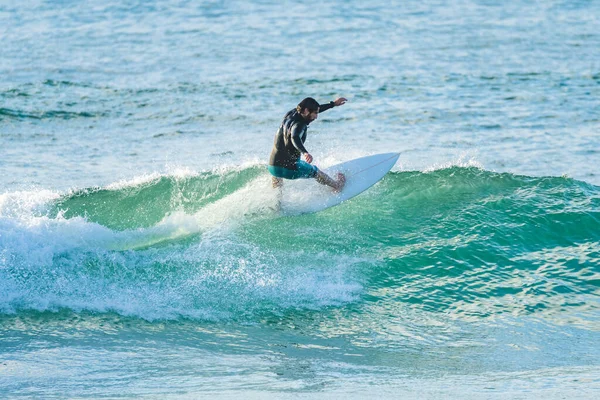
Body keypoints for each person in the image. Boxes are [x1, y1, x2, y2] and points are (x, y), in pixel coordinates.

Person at [268, 97, 348, 192]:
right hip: (289, 170)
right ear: (306, 111)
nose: (316, 117)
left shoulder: (291, 114)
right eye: (315, 113)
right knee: (315, 171)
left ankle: (278, 202)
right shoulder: (299, 124)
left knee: (278, 176)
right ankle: (337, 185)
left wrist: (333, 104)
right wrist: (305, 152)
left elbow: (317, 109)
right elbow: (295, 137)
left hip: (273, 167)